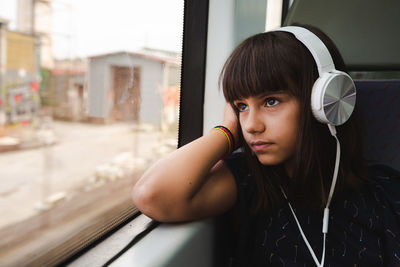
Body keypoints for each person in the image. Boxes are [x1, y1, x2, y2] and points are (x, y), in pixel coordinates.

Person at [132, 24, 400, 266]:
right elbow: (151, 195)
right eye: (241, 107)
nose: (251, 125)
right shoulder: (249, 182)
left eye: (270, 101)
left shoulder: (385, 192)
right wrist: (227, 133)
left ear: (323, 102)